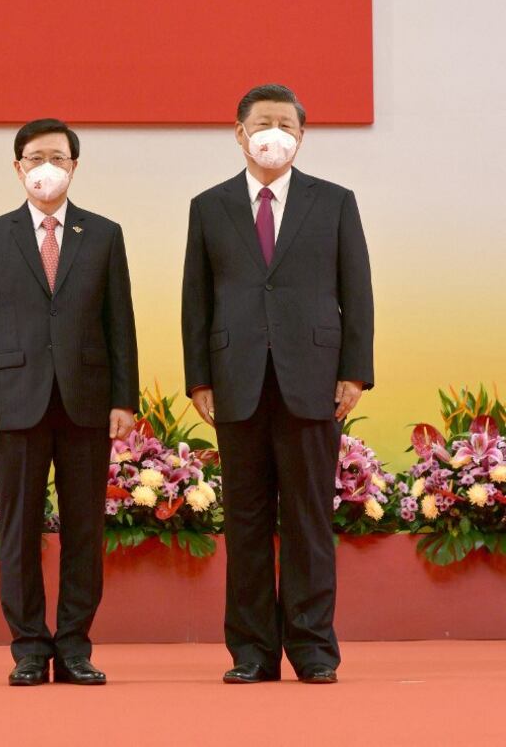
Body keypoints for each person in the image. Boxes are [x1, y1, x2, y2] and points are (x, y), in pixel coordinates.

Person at [181, 83, 374, 685]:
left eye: (285, 123)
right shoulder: (209, 206)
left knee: (310, 519)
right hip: (236, 381)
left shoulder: (334, 201)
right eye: (262, 122)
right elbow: (196, 300)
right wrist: (199, 378)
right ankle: (251, 651)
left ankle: (313, 647)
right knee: (244, 520)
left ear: (300, 135)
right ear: (239, 132)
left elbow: (356, 290)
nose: (273, 132)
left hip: (313, 380)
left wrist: (354, 369)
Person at [0, 118, 139, 686]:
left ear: (74, 166)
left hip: (87, 402)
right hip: (15, 403)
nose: (46, 167)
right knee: (19, 529)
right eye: (35, 157)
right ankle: (30, 649)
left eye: (57, 158)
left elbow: (121, 325)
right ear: (17, 167)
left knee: (84, 528)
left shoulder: (104, 234)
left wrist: (124, 398)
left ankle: (75, 645)